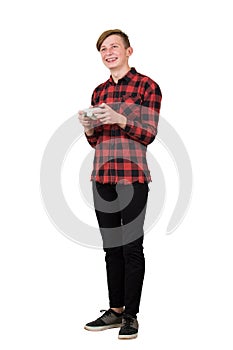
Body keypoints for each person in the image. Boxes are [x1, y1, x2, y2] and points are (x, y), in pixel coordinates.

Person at [78, 29, 162, 340]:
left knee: (131, 248)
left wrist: (121, 118)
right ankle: (114, 311)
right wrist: (89, 128)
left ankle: (131, 315)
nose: (108, 52)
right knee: (110, 247)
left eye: (114, 46)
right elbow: (96, 141)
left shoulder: (147, 86)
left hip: (133, 176)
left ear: (129, 51)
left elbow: (149, 133)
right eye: (103, 48)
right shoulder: (98, 91)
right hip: (102, 177)